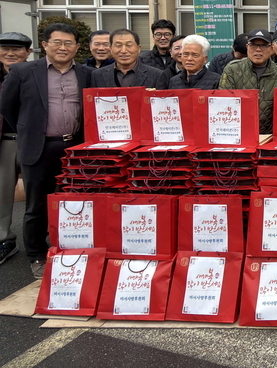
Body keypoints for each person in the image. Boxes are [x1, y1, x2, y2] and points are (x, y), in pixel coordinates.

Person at [0, 23, 91, 278]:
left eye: (68, 43)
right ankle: (37, 255)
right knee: (36, 204)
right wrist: (29, 129)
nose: (63, 47)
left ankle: (70, 249)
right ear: (45, 44)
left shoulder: (86, 73)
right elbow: (7, 108)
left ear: (77, 47)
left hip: (75, 147)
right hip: (38, 146)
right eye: (57, 42)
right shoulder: (23, 71)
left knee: (74, 201)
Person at [0, 32, 33, 266]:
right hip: (4, 140)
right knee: (1, 193)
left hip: (33, 140)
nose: (10, 53)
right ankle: (4, 239)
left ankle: (41, 238)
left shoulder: (36, 73)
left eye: (17, 49)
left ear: (28, 52)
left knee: (38, 192)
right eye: (5, 49)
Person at [219, 29, 277, 134]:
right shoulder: (232, 69)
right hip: (238, 133)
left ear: (271, 48)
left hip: (270, 136)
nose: (258, 50)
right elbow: (223, 102)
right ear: (247, 47)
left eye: (263, 45)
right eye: (253, 45)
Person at [92, 29, 163, 88]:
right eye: (118, 45)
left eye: (129, 45)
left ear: (138, 48)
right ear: (111, 49)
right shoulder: (98, 75)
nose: (123, 51)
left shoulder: (156, 75)